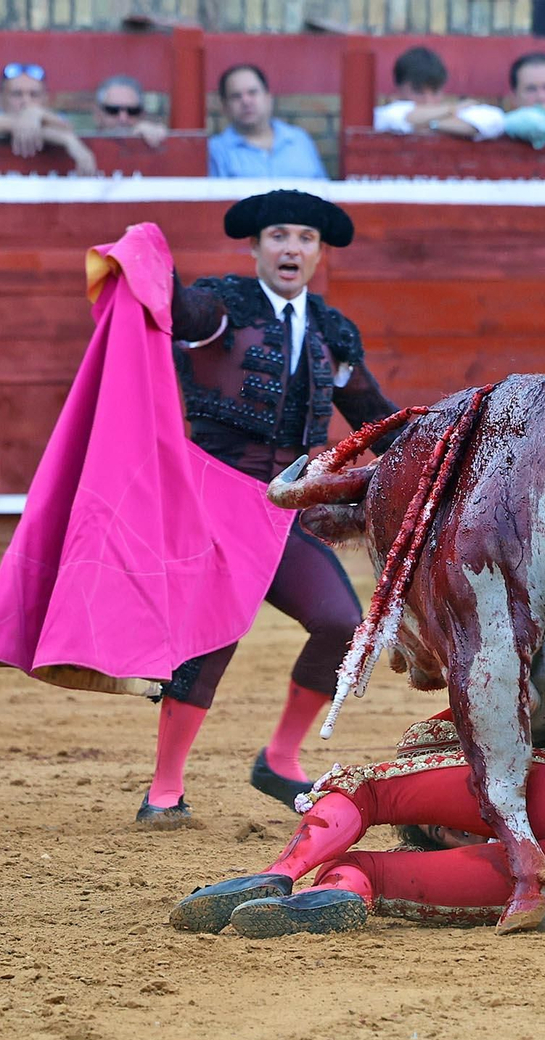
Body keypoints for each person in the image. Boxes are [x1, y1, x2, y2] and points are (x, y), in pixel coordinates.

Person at [146, 190, 400, 824]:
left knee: (342, 623)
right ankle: (164, 789)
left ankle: (280, 759)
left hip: (282, 507)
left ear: (319, 253)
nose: (292, 248)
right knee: (214, 636)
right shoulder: (221, 307)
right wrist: (150, 257)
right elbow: (178, 310)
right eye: (279, 236)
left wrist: (452, 439)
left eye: (305, 238)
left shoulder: (330, 332)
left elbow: (375, 419)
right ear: (254, 247)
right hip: (213, 501)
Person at [168, 714, 545, 937]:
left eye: (444, 827)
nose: (461, 831)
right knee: (365, 808)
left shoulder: (465, 796)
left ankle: (278, 873)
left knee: (364, 868)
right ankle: (295, 882)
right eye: (444, 835)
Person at [0, 63, 96, 173]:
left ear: (45, 99)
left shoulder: (56, 119)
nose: (26, 101)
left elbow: (66, 126)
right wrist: (67, 139)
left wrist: (37, 114)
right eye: (17, 94)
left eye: (34, 94)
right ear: (0, 98)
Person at [208, 65, 327, 178]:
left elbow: (323, 191)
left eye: (252, 92)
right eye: (236, 96)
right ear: (224, 106)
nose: (246, 101)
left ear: (268, 97)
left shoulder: (299, 140)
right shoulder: (216, 151)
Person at [372, 46, 504, 142]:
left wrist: (432, 124)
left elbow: (494, 119)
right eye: (418, 91)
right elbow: (399, 118)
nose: (428, 101)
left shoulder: (444, 114)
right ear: (398, 90)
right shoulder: (386, 114)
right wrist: (453, 110)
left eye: (435, 92)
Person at [93, 75, 168, 149]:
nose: (123, 119)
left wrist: (159, 146)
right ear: (98, 115)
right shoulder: (83, 149)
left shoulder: (148, 141)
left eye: (132, 111)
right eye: (113, 110)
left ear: (142, 115)